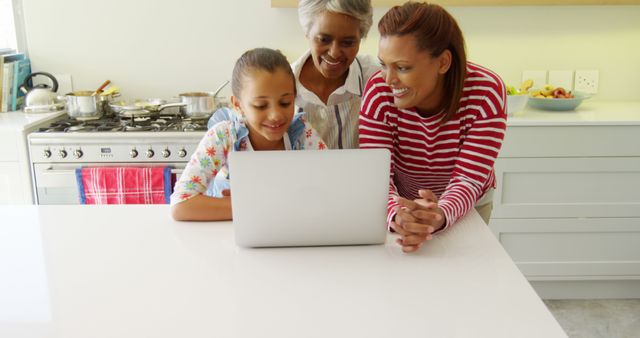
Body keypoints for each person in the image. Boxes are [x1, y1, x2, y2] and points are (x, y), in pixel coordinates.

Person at [359, 2, 507, 253]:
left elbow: (469, 179)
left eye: (403, 67)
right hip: (400, 203)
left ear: (443, 62)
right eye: (383, 64)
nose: (388, 79)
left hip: (468, 205)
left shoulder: (487, 93)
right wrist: (398, 214)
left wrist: (438, 215)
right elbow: (377, 177)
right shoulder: (378, 90)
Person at [171, 48, 327, 221]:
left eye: (285, 102)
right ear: (238, 105)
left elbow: (329, 190)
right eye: (260, 105)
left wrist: (257, 202)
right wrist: (258, 205)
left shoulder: (301, 133)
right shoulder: (224, 136)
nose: (275, 115)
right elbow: (181, 205)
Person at [292, 0, 379, 149]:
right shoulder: (282, 84)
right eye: (324, 39)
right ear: (307, 32)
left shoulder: (375, 78)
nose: (334, 52)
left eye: (348, 43)